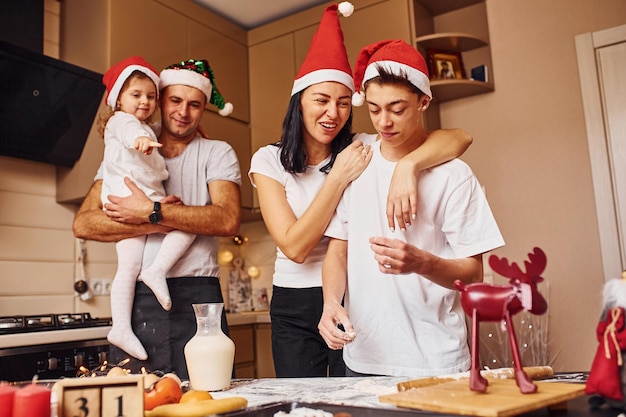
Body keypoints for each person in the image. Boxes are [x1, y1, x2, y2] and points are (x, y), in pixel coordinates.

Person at [249, 3, 472, 378]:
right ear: (299, 102)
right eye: (320, 100)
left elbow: (459, 137)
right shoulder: (268, 161)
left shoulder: (365, 145)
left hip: (352, 294)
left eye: (342, 103)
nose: (332, 113)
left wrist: (408, 165)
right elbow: (295, 247)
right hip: (294, 301)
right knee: (302, 402)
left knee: (348, 398)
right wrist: (337, 178)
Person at [318, 39, 505, 377]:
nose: (384, 122)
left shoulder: (453, 175)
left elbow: (473, 274)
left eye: (397, 108)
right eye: (373, 109)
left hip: (435, 362)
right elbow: (339, 250)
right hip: (363, 360)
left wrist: (421, 262)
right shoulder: (355, 162)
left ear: (423, 102)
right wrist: (331, 302)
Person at [73, 58, 240, 378]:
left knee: (206, 397)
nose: (183, 112)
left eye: (195, 104)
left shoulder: (217, 152)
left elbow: (227, 219)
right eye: (175, 100)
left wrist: (151, 212)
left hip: (199, 297)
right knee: (140, 401)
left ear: (204, 108)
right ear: (160, 99)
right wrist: (159, 219)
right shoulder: (126, 147)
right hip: (136, 299)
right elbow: (84, 223)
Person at [98, 56, 197, 360]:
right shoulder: (122, 122)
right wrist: (140, 139)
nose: (144, 101)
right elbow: (131, 132)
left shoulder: (146, 127)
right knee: (187, 224)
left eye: (151, 96)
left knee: (128, 266)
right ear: (118, 99)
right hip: (124, 196)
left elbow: (149, 131)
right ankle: (156, 272)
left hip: (143, 195)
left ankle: (121, 327)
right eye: (136, 95)